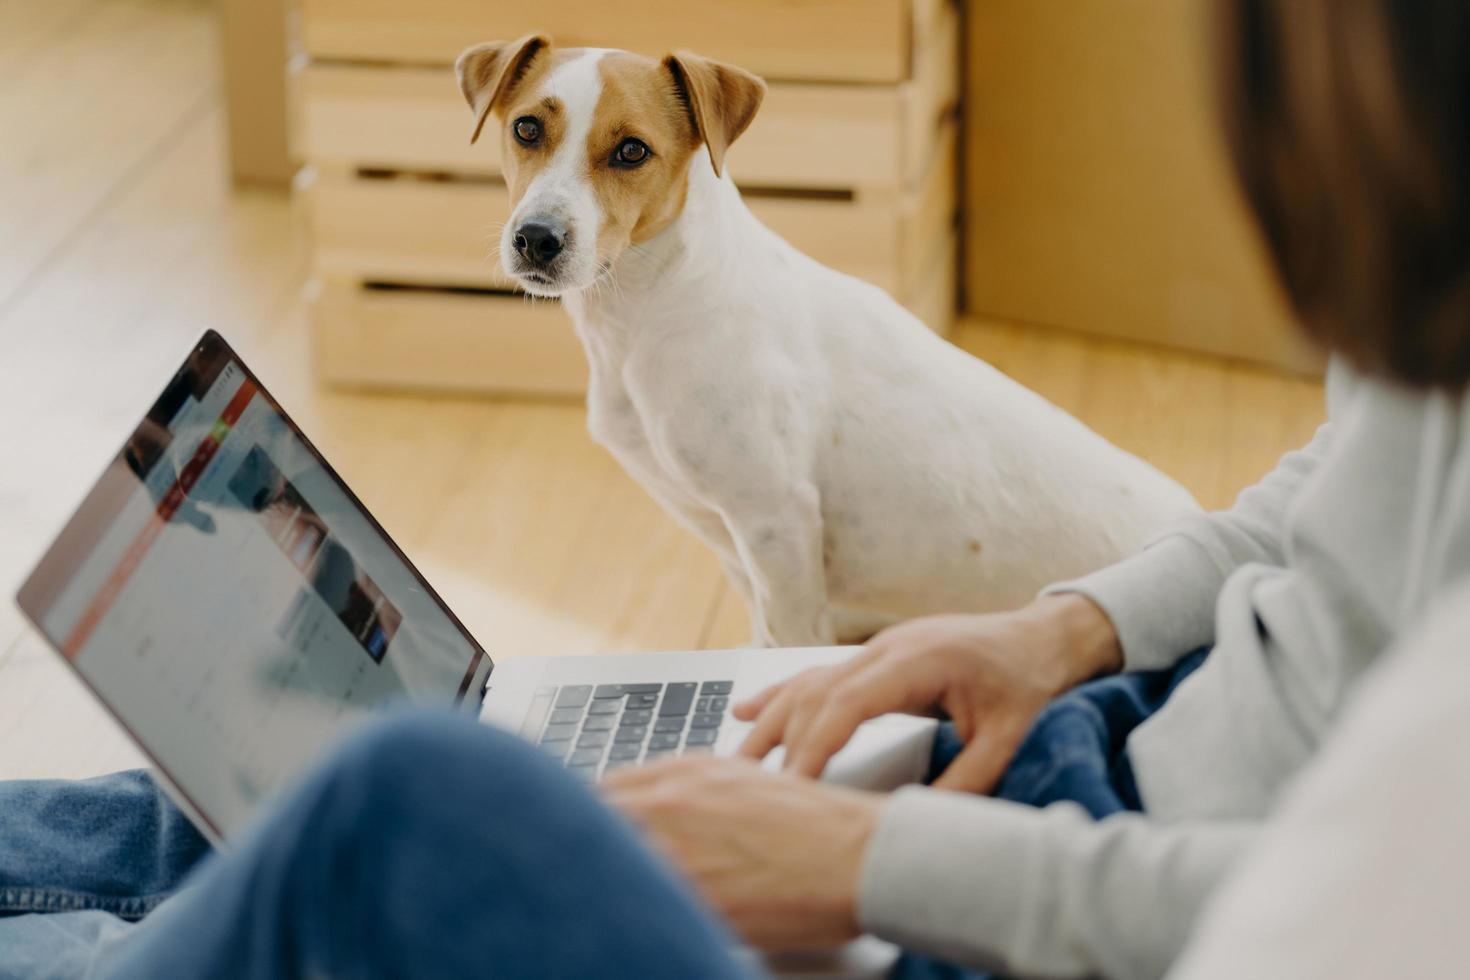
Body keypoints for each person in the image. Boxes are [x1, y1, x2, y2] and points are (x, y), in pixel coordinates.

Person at [4, 0, 1469, 976]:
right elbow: (1334, 490)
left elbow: (1360, 928)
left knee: (386, 796)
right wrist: (1064, 627)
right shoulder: (1430, 347)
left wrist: (871, 854)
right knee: (236, 794)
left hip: (1009, 890)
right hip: (1070, 729)